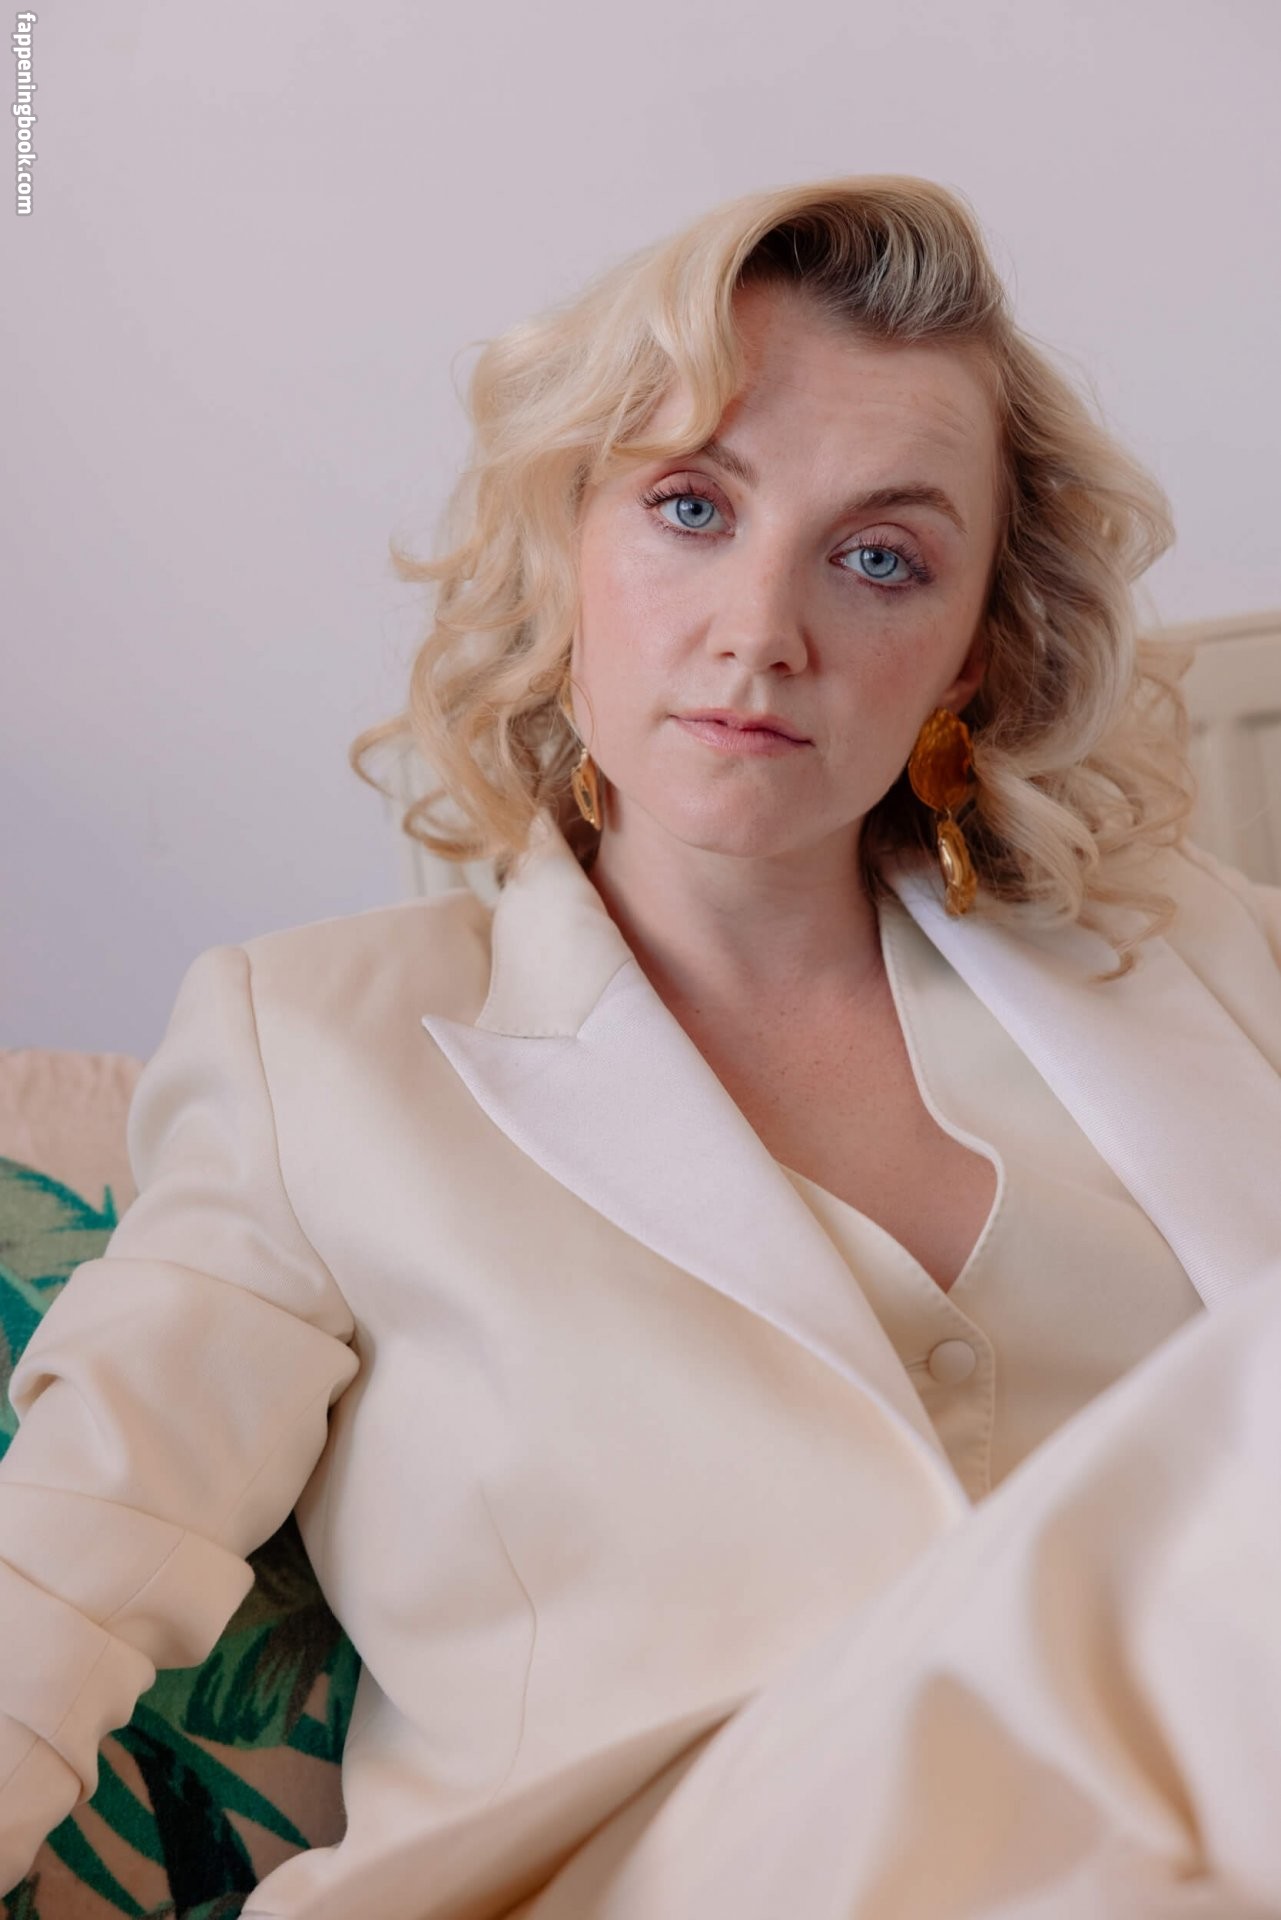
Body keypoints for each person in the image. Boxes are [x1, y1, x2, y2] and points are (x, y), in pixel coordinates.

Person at [4, 172, 1281, 1918]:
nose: (760, 631)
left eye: (879, 557)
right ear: (565, 554)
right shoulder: (311, 1048)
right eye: (690, 507)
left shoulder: (1205, 961)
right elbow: (65, 1567)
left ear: (969, 658)